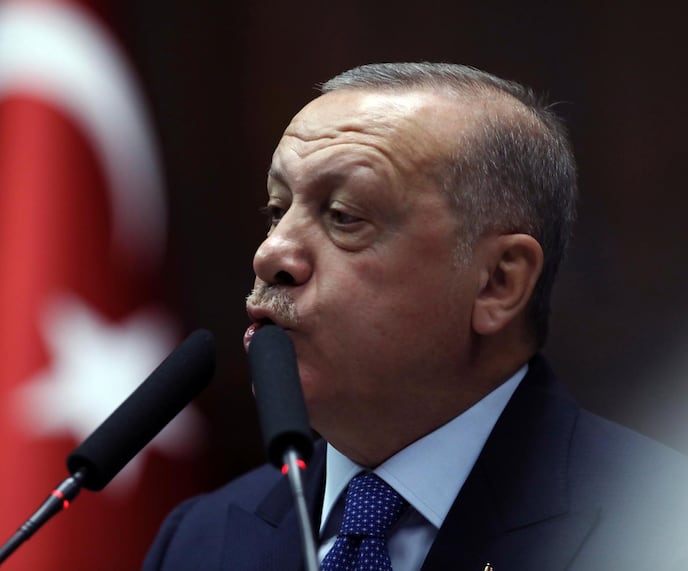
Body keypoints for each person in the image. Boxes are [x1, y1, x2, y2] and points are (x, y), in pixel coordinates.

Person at [142, 62, 688, 570]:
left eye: (344, 216)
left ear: (499, 281)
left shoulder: (657, 528)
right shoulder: (200, 540)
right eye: (277, 210)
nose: (271, 255)